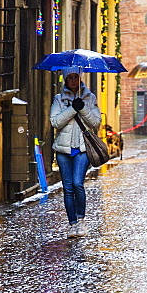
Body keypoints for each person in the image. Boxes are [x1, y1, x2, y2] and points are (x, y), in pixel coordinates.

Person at [50, 67, 102, 237]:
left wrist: (83, 108)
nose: (73, 80)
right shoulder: (59, 99)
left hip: (82, 148)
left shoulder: (90, 97)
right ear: (65, 80)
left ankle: (81, 220)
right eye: (70, 77)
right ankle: (72, 224)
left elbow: (95, 122)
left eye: (75, 77)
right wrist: (72, 108)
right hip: (63, 149)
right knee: (68, 187)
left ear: (80, 78)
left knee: (78, 183)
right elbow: (55, 122)